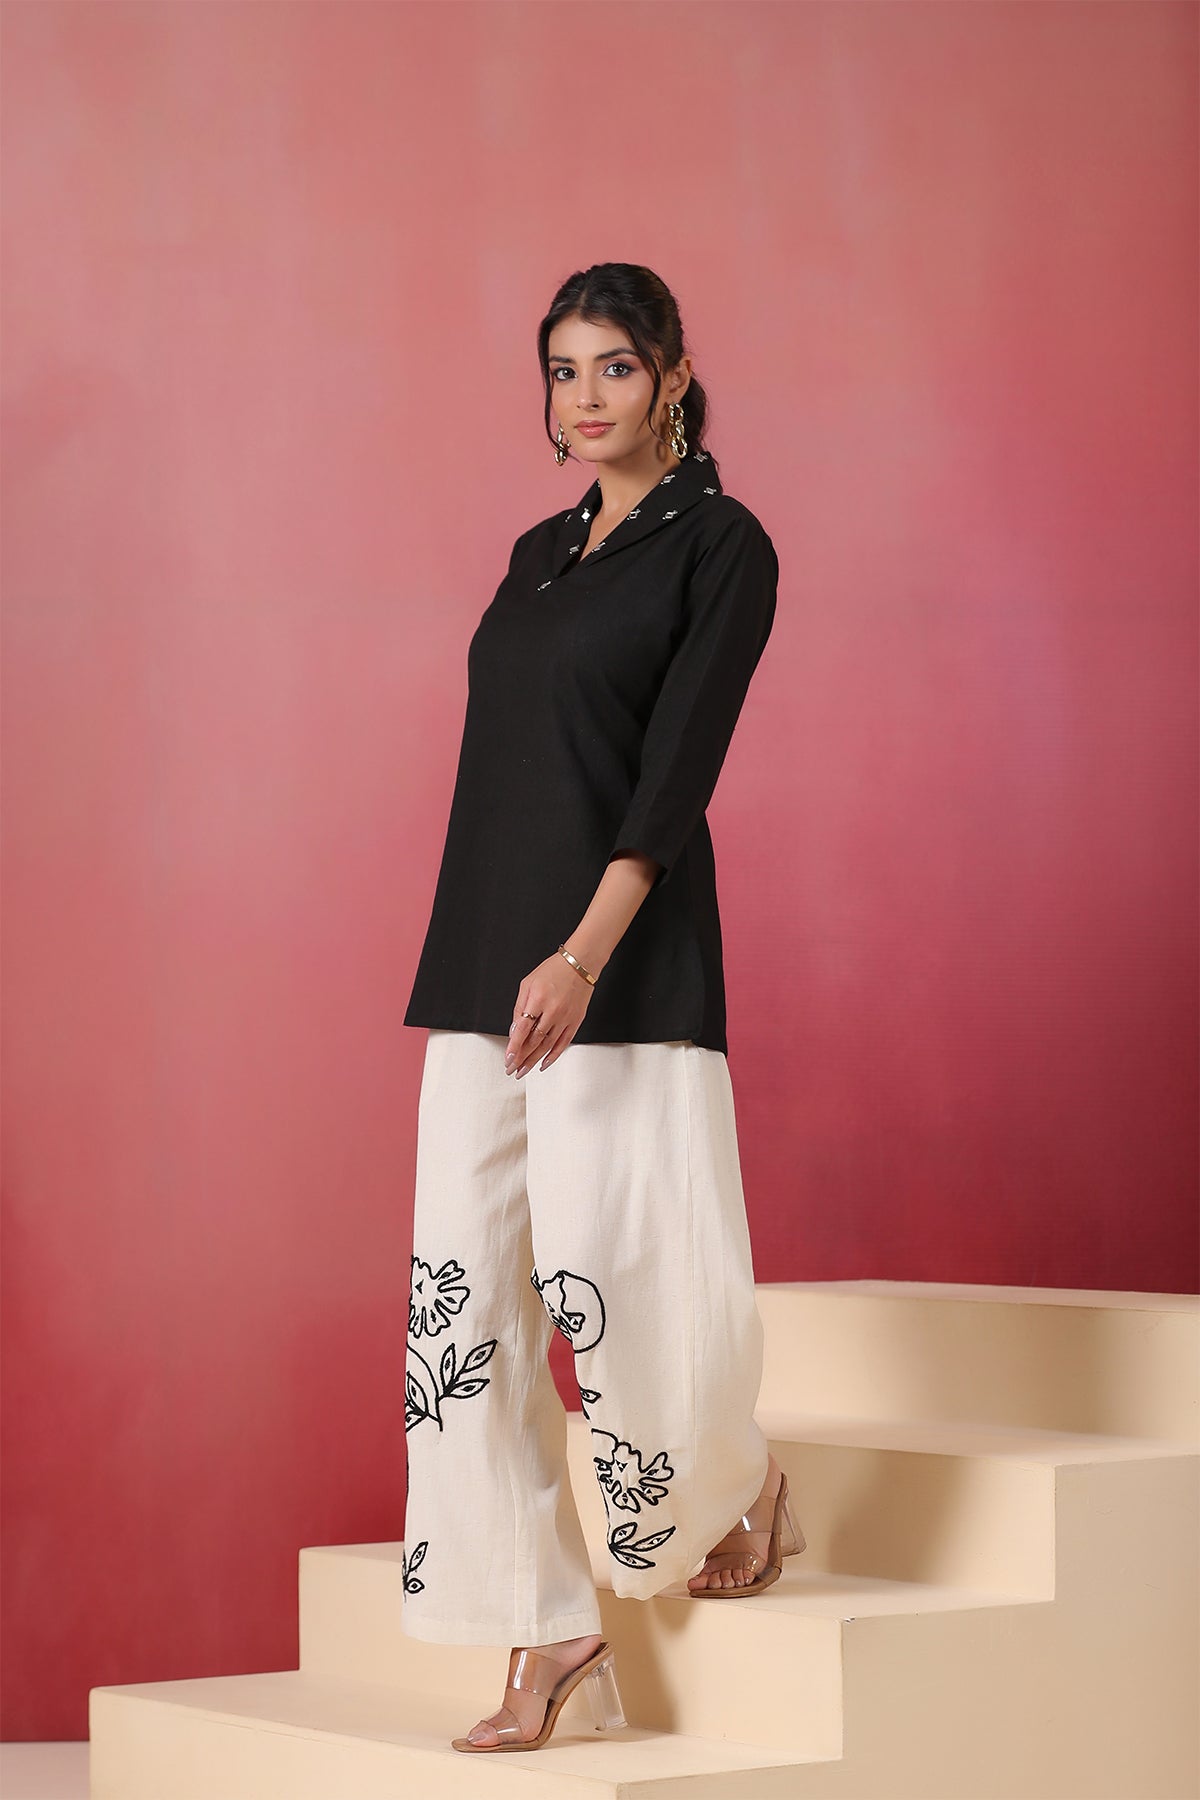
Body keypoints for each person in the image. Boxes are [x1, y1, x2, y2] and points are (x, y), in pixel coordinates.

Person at [400, 262, 805, 1755]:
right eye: (563, 370)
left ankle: (737, 1483)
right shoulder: (537, 553)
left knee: (619, 1278)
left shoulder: (723, 546)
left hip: (618, 972)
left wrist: (579, 954)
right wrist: (502, 952)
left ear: (674, 376)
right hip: (480, 967)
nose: (584, 397)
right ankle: (545, 1617)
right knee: (460, 1308)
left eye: (615, 367)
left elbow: (675, 772)